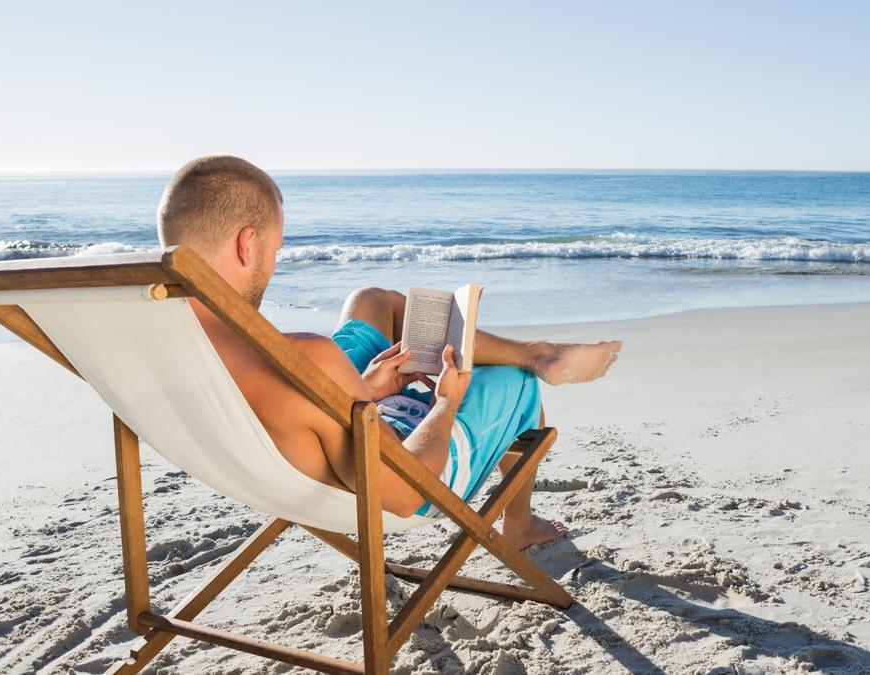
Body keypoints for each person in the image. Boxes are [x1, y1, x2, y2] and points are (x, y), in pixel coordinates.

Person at [156, 155, 621, 549]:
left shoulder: (146, 343)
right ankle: (519, 522)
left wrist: (360, 390)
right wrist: (446, 402)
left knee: (372, 302)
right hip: (390, 476)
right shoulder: (306, 358)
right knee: (516, 382)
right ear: (246, 244)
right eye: (276, 249)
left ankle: (540, 351)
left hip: (292, 437)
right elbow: (402, 494)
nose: (275, 262)